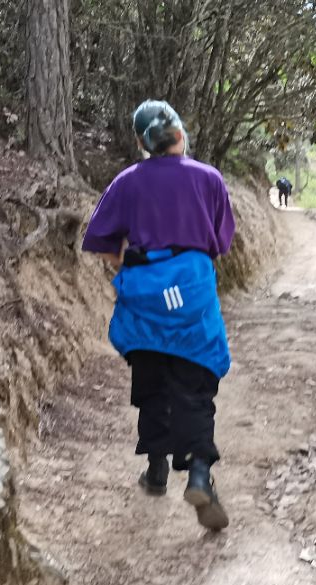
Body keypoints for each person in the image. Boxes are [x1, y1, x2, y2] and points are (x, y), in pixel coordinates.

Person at [82, 100, 235, 531]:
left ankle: (156, 470)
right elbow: (220, 243)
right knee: (195, 378)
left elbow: (103, 242)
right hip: (190, 290)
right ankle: (200, 472)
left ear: (142, 141)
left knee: (151, 376)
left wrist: (133, 269)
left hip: (146, 290)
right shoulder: (208, 179)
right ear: (180, 134)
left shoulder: (127, 182)